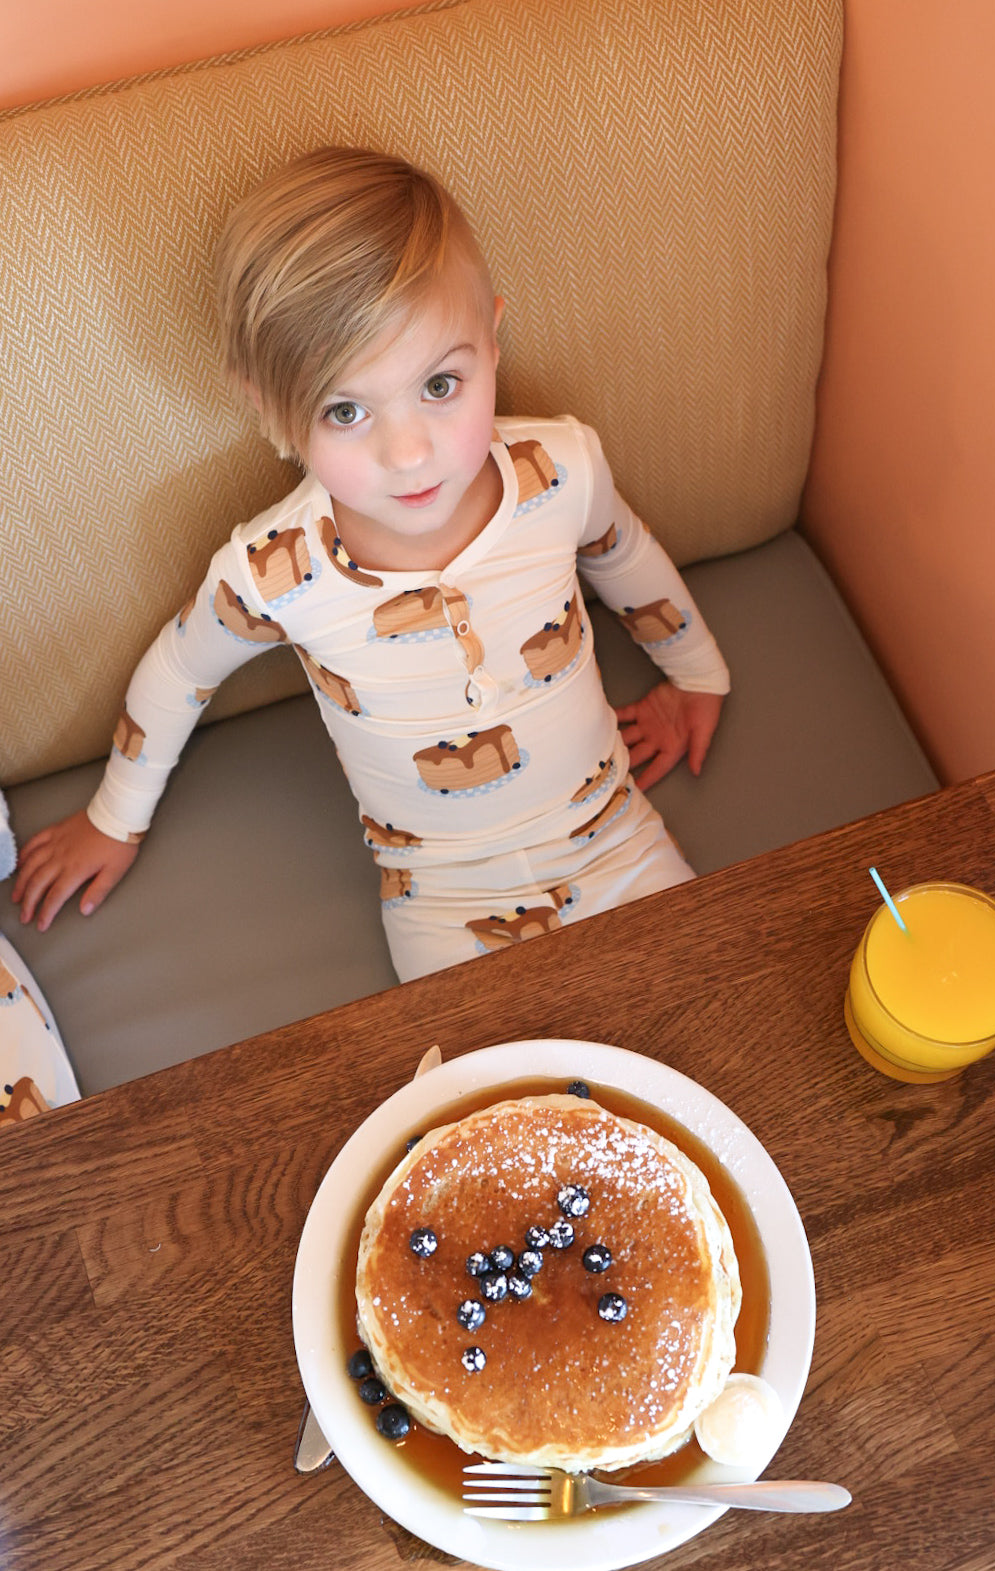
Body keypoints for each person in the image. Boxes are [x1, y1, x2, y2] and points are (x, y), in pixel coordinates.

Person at [12, 146, 729, 981]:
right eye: (346, 409)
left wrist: (694, 673)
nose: (409, 451)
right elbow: (179, 670)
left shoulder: (560, 469)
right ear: (270, 408)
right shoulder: (274, 572)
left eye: (439, 385)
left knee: (707, 1011)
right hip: (441, 900)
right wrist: (114, 817)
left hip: (618, 840)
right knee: (468, 1096)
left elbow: (622, 551)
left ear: (492, 343)